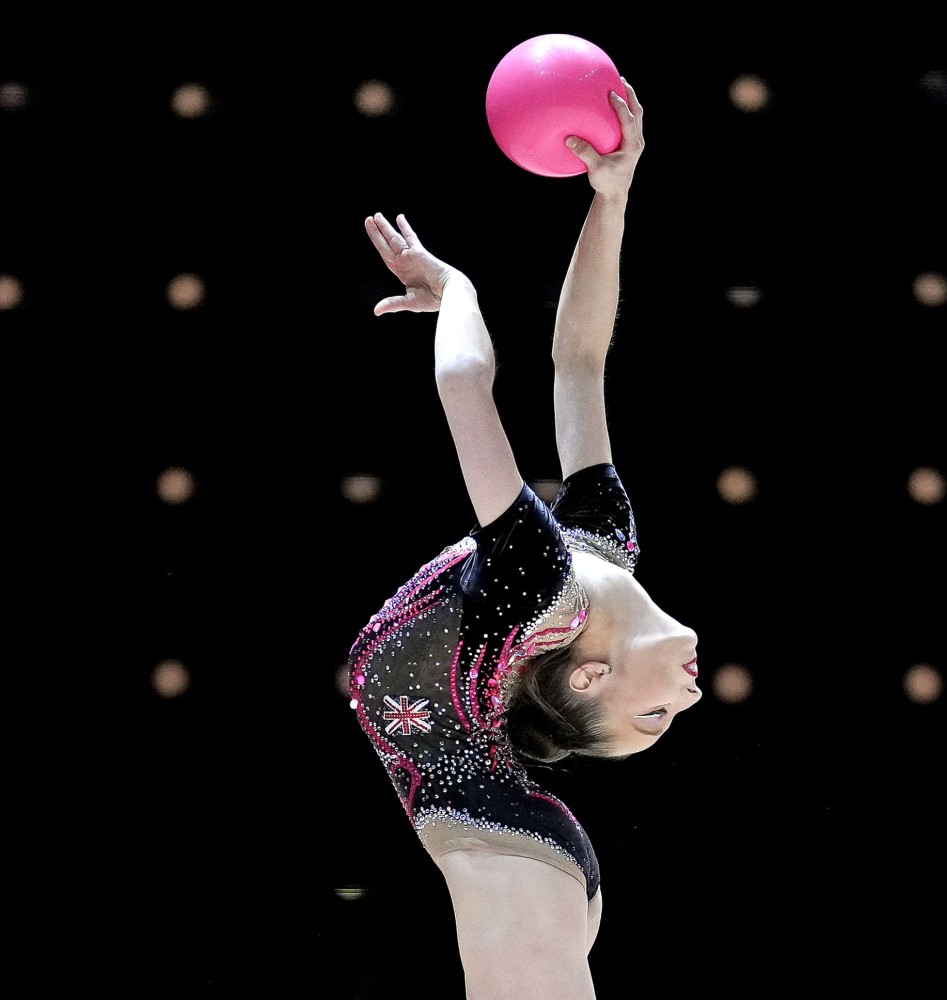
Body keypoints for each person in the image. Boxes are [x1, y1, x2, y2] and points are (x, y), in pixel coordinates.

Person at [347, 79, 701, 999]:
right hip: (507, 840)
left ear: (588, 676)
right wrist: (611, 199)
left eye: (654, 715)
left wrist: (456, 288)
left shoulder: (537, 584)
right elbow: (577, 361)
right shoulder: (600, 543)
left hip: (499, 851)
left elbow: (465, 385)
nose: (690, 698)